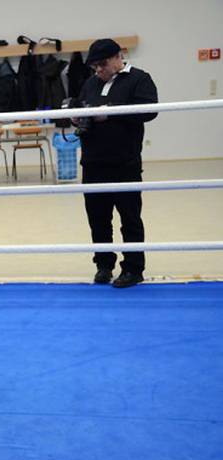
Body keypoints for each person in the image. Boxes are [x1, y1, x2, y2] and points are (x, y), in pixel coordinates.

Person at [75, 39, 158, 288]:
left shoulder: (139, 79)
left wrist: (111, 111)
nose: (98, 70)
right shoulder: (91, 83)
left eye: (102, 64)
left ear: (118, 57)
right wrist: (77, 116)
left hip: (125, 161)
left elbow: (150, 110)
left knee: (130, 217)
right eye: (94, 66)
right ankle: (103, 264)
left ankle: (133, 268)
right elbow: (82, 107)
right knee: (97, 218)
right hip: (92, 161)